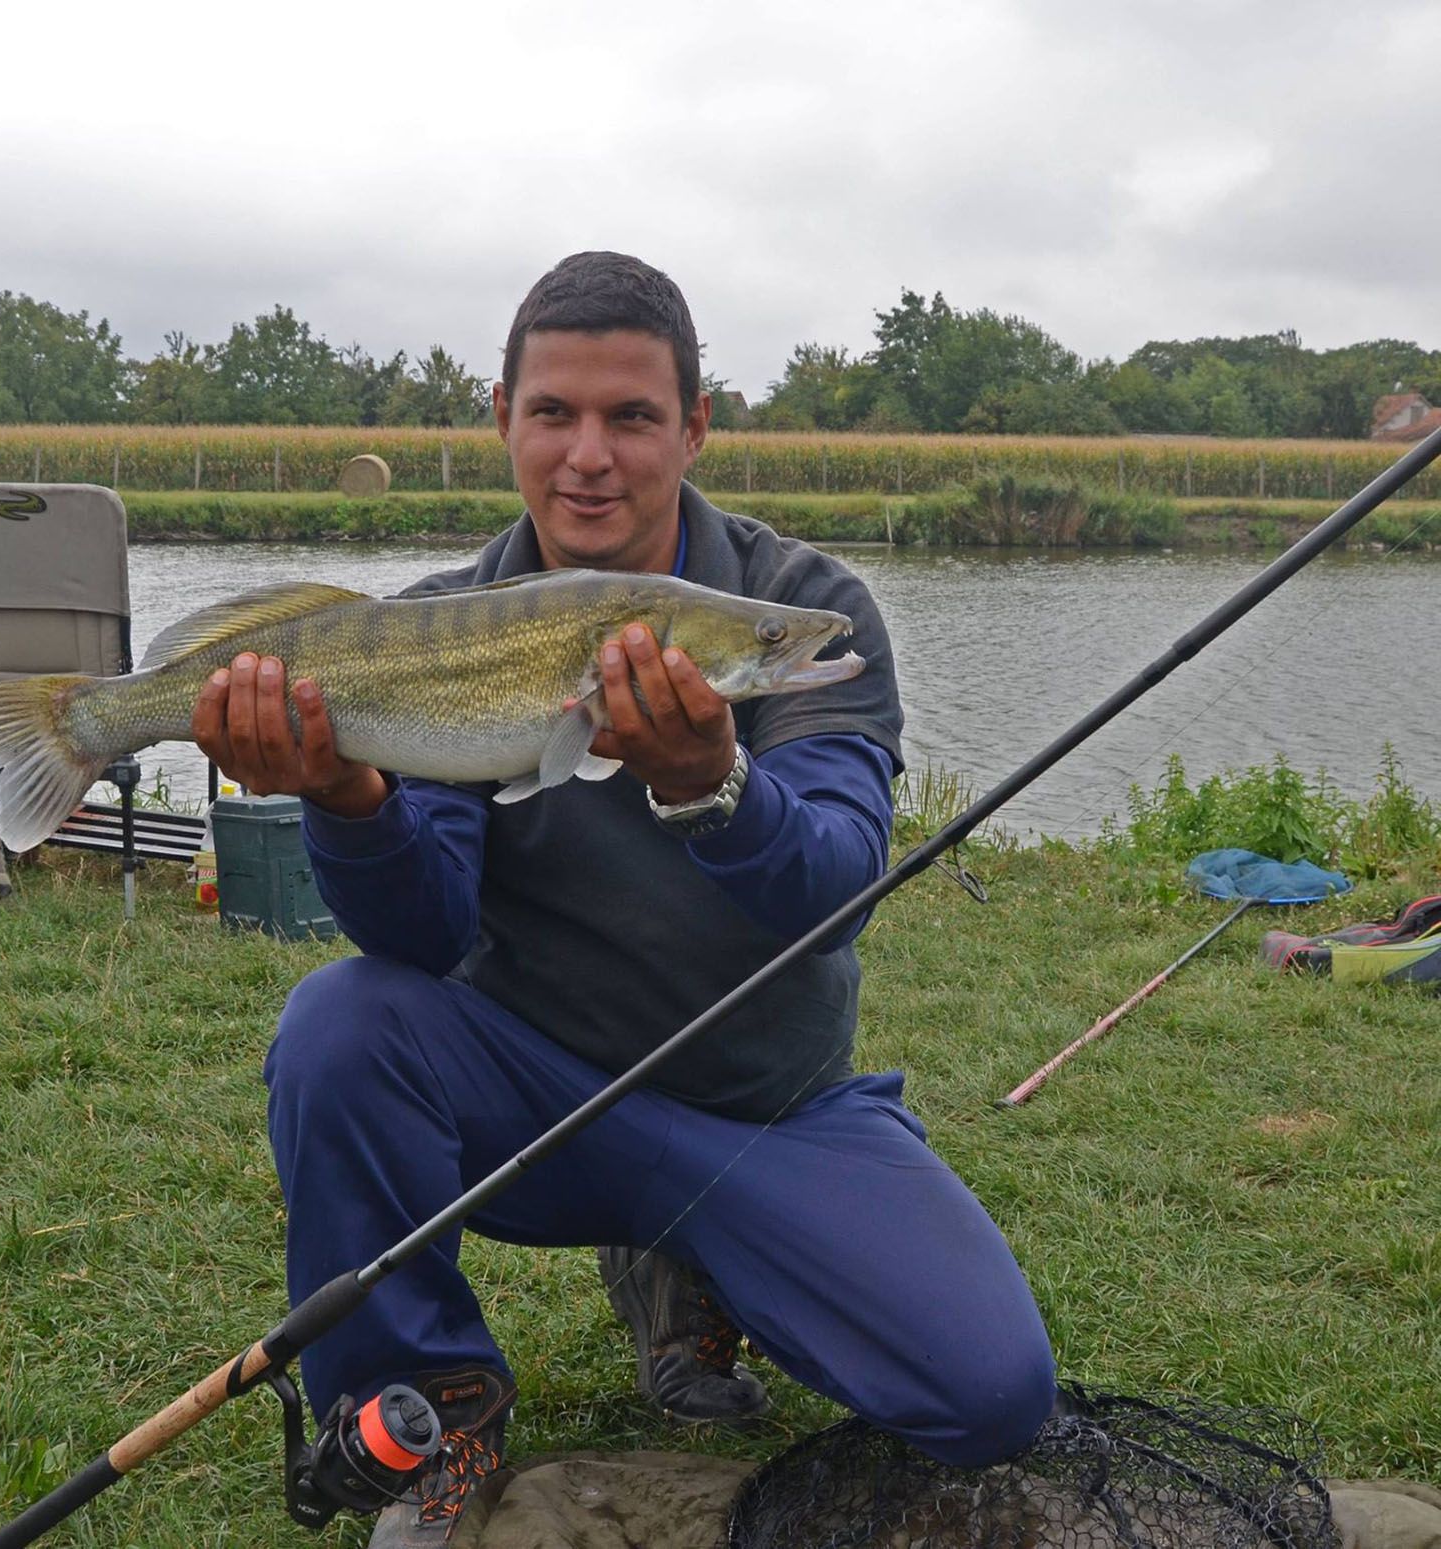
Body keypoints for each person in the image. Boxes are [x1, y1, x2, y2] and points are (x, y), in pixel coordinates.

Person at [191, 251, 1057, 1545]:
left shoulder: (798, 616)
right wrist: (346, 795)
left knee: (992, 1393)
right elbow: (416, 932)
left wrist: (715, 785)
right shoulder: (440, 625)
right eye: (554, 414)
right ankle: (430, 1407)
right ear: (503, 417)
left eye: (632, 417)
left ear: (695, 427)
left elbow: (832, 886)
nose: (588, 455)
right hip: (536, 1109)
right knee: (340, 1025)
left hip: (764, 1114)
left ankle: (692, 1263)